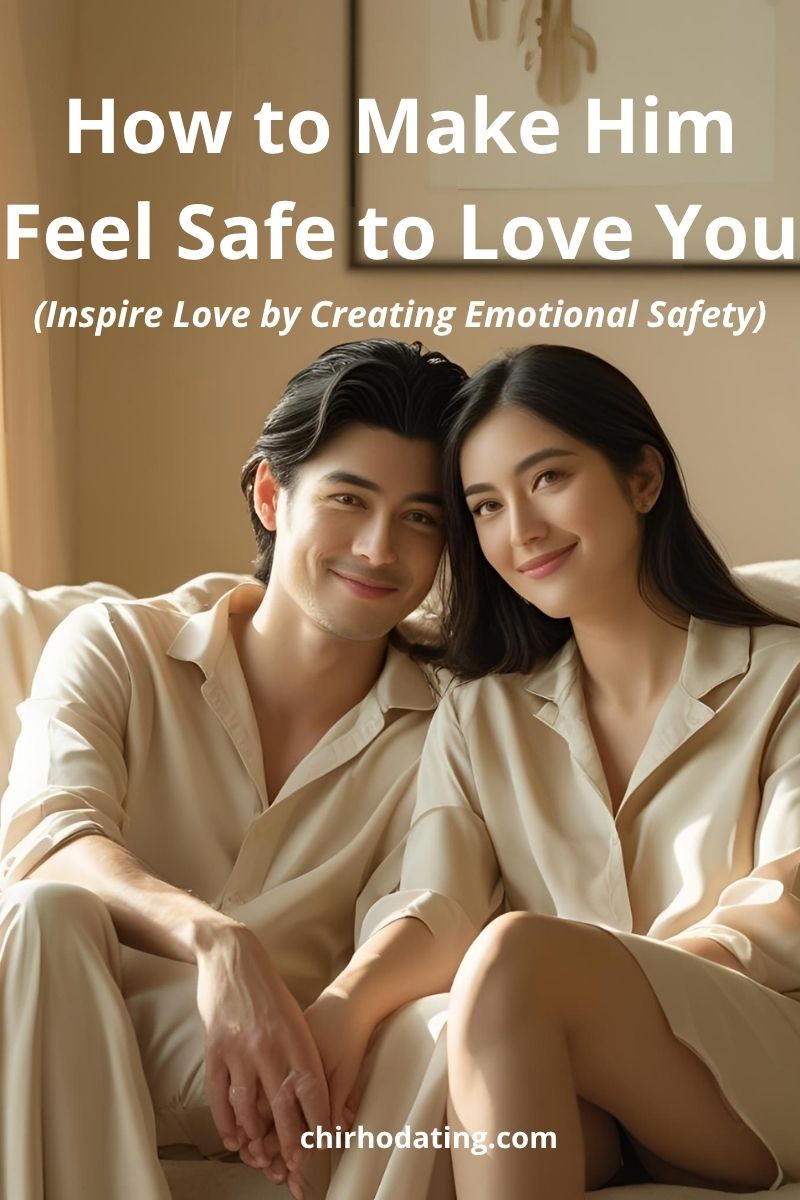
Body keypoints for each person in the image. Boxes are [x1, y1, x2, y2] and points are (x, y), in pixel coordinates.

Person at [310, 344, 800, 1200]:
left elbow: (789, 901)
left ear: (643, 480)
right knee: (433, 1081)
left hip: (760, 1069)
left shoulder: (784, 673)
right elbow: (439, 902)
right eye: (486, 506)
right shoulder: (479, 714)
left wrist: (622, 990)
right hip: (588, 1090)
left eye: (547, 480)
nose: (521, 531)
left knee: (517, 956)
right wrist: (342, 1007)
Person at [0, 338, 466, 1200]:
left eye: (420, 516)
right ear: (270, 493)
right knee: (43, 913)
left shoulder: (452, 719)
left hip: (294, 1071)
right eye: (348, 499)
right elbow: (50, 835)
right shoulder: (116, 644)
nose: (377, 547)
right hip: (67, 1022)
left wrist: (341, 1010)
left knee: (447, 1032)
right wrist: (217, 942)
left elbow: (435, 899)